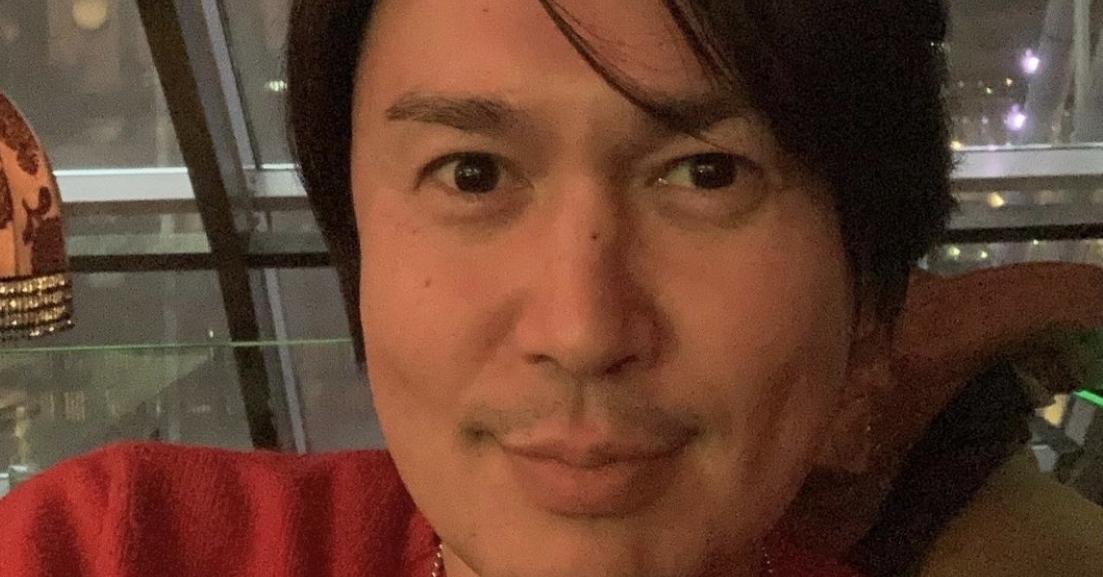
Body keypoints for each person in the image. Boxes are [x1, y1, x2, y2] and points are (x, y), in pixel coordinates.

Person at [2, 1, 1099, 576]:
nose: (581, 328)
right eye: (471, 174)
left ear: (864, 303)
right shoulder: (116, 550)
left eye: (707, 174)